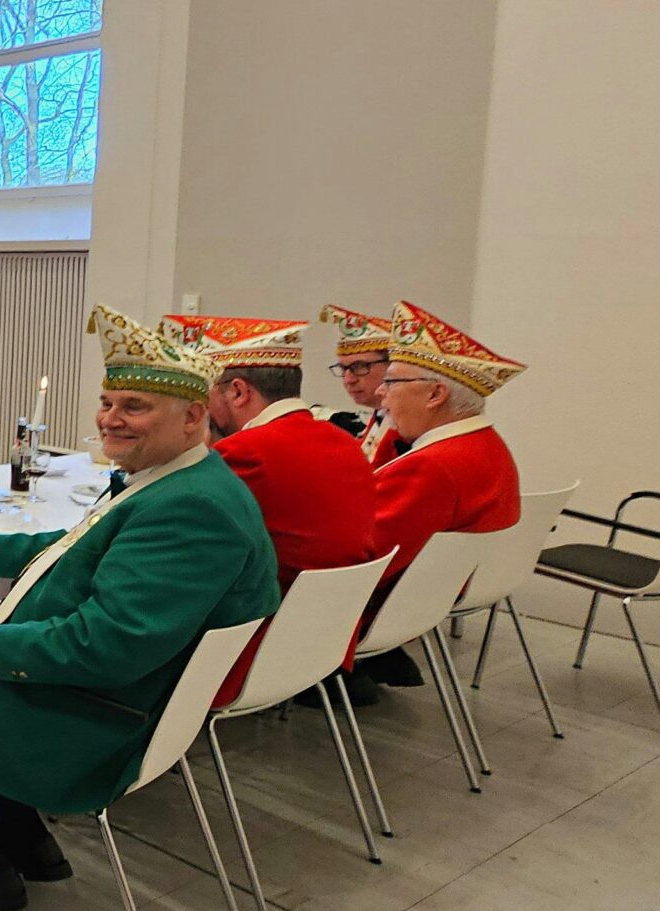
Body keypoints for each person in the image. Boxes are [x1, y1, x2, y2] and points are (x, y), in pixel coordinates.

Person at [0, 306, 279, 911]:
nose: (109, 419)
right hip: (102, 690)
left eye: (133, 406)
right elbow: (79, 549)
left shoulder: (191, 509)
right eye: (107, 402)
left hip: (98, 716)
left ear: (193, 417)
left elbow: (113, 641)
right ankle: (18, 835)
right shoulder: (177, 480)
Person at [164, 315, 382, 706]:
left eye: (204, 393)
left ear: (238, 391)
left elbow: (172, 527)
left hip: (258, 644)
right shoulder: (343, 441)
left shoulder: (246, 452)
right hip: (324, 637)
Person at [368, 301, 525, 605]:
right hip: (446, 590)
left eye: (391, 382)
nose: (379, 391)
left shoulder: (432, 465)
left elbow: (364, 556)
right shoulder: (486, 442)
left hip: (398, 603)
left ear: (435, 395)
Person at [320, 304, 403, 466]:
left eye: (359, 367)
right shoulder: (378, 417)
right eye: (343, 368)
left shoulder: (407, 426)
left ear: (392, 365)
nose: (349, 379)